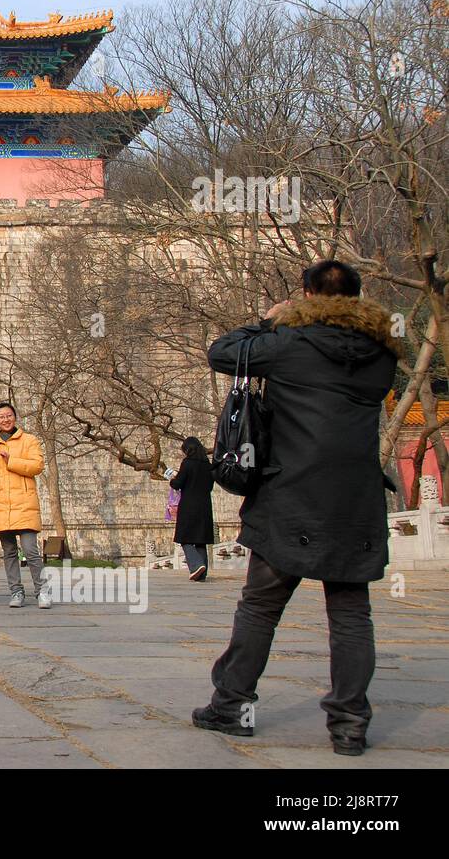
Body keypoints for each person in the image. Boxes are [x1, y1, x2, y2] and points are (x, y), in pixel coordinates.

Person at [193, 260, 397, 757]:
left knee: (261, 606)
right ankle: (350, 724)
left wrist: (273, 319)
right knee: (351, 613)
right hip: (356, 499)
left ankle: (232, 705)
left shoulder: (289, 344)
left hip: (291, 496)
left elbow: (221, 353)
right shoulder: (383, 351)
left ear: (307, 295)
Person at [0, 402, 51, 609]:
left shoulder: (29, 440)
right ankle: (16, 591)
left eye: (8, 415)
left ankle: (42, 590)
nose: (5, 419)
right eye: (0, 417)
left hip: (24, 503)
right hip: (2, 504)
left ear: (14, 417)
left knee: (30, 550)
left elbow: (37, 466)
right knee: (9, 552)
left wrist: (11, 459)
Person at [167, 437, 215, 581]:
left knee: (184, 537)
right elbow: (210, 486)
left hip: (189, 505)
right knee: (201, 539)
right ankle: (201, 573)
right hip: (205, 506)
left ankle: (196, 565)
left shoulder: (187, 463)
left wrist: (172, 480)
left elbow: (178, 483)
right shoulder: (209, 465)